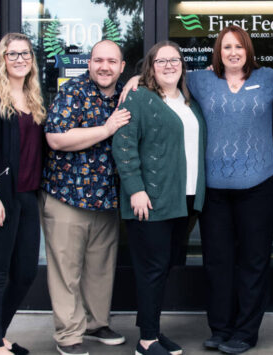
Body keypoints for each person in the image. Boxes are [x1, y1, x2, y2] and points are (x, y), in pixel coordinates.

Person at [120, 26, 273, 354]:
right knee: (217, 262)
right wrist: (133, 80)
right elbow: (162, 79)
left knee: (254, 262)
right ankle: (220, 328)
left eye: (238, 47)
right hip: (214, 190)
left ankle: (245, 332)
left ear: (248, 50)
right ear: (218, 51)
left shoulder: (271, 78)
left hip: (260, 186)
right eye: (226, 46)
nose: (232, 52)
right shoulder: (201, 81)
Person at [112, 41, 206, 355]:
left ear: (183, 65)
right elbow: (123, 146)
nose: (169, 65)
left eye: (174, 60)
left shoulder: (189, 100)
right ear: (150, 67)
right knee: (151, 269)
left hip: (185, 199)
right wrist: (136, 189)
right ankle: (146, 341)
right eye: (161, 61)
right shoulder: (139, 98)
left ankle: (151, 329)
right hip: (150, 200)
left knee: (163, 267)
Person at [40, 39, 131, 355]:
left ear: (121, 67)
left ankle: (95, 324)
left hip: (105, 199)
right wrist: (106, 129)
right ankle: (68, 336)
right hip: (68, 197)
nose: (105, 67)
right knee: (66, 271)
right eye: (98, 60)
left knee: (100, 269)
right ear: (89, 64)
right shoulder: (73, 93)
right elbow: (56, 138)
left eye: (112, 62)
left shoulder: (123, 96)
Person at [0, 32, 46, 355]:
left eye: (25, 53)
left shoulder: (35, 100)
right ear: (2, 59)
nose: (19, 59)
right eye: (12, 54)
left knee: (25, 273)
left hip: (27, 196)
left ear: (32, 60)